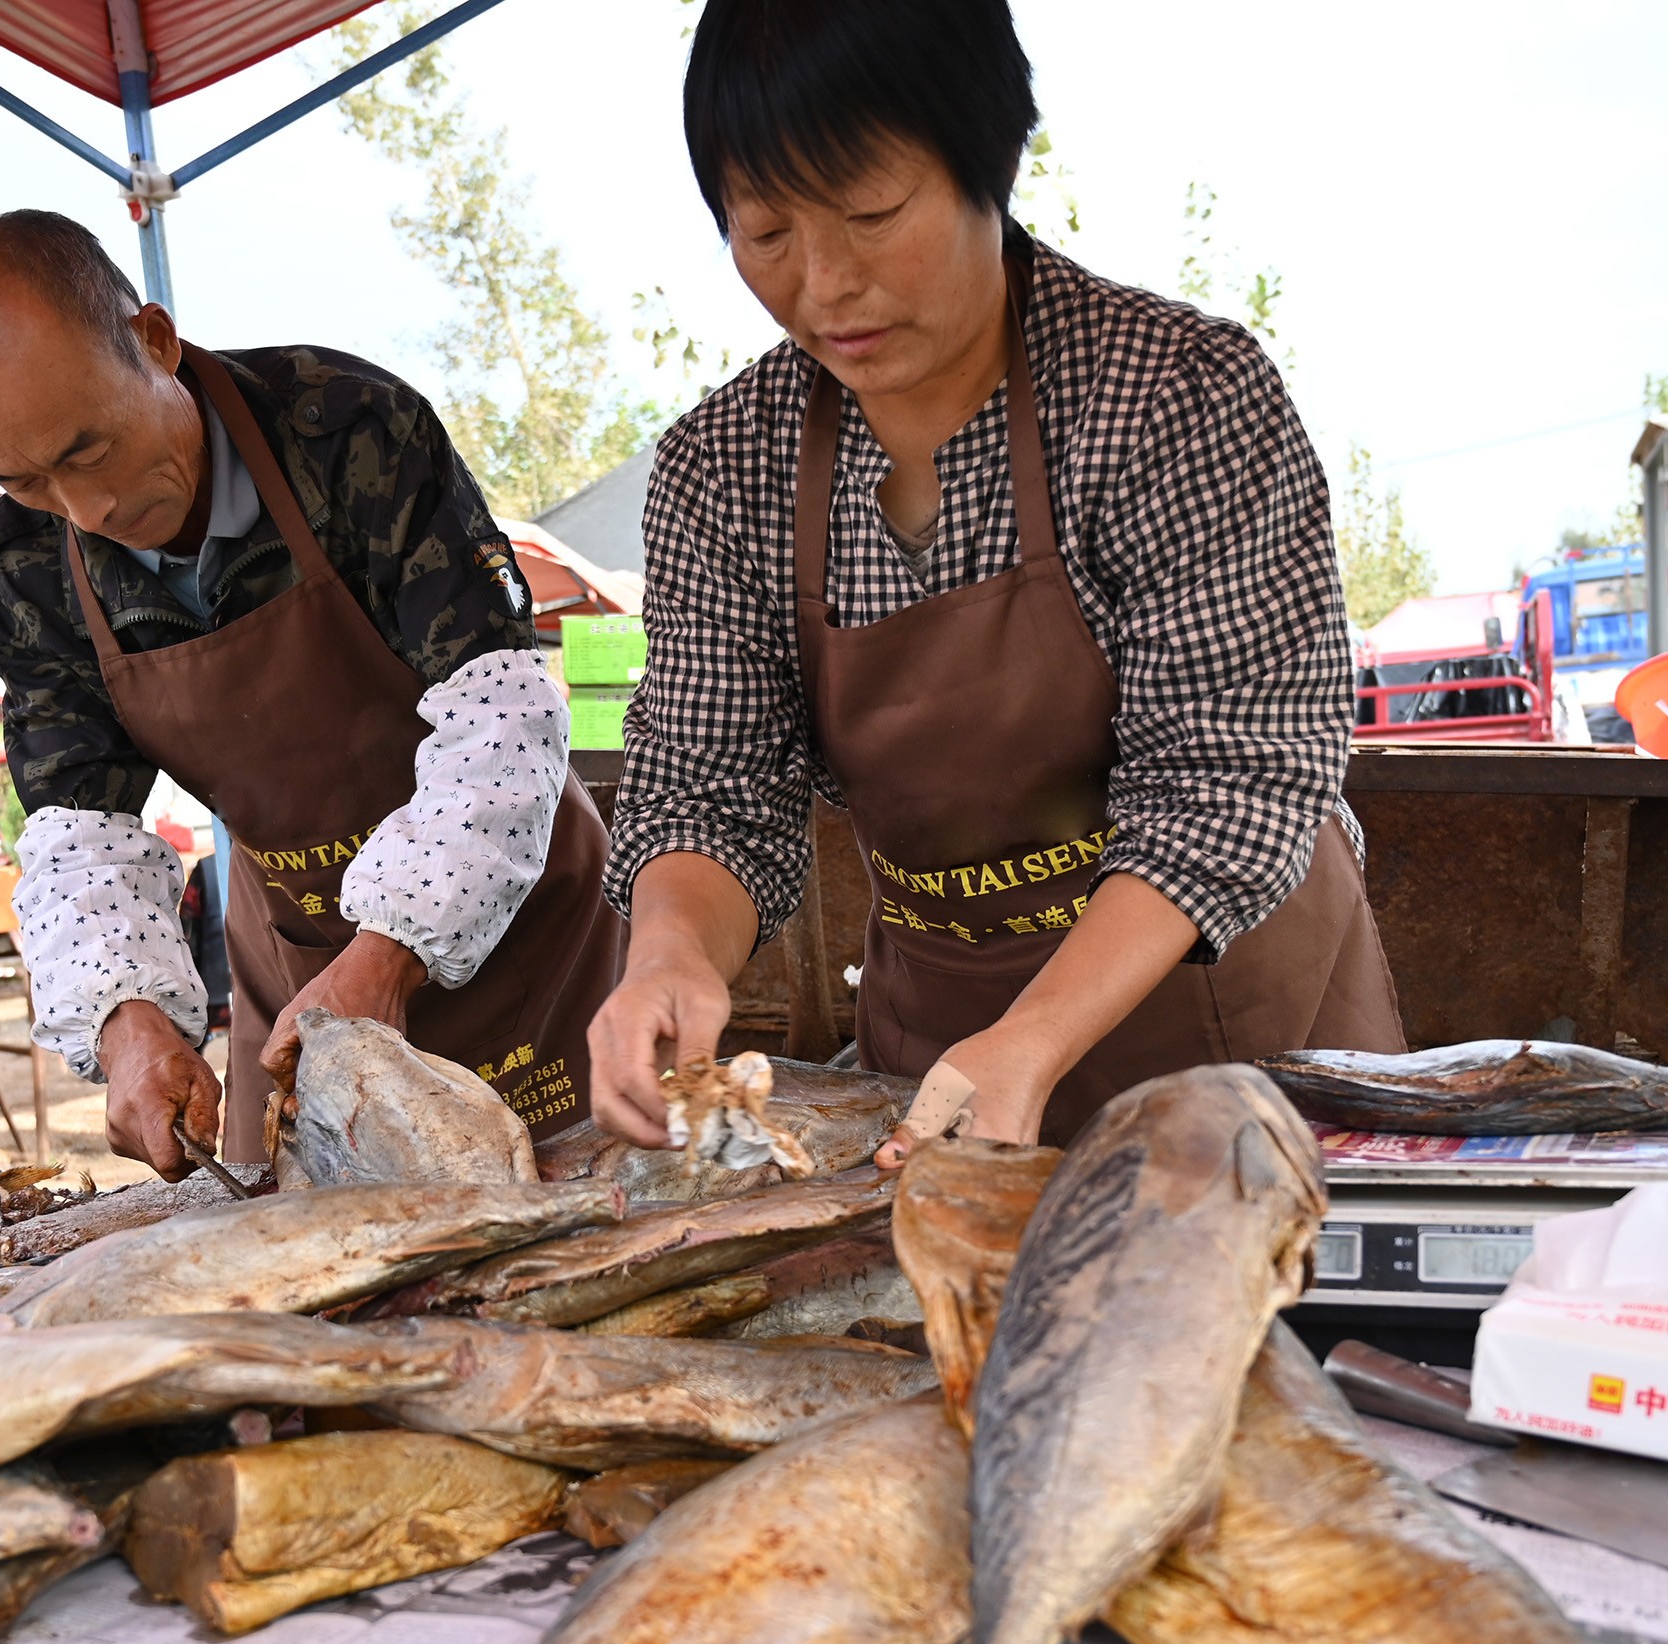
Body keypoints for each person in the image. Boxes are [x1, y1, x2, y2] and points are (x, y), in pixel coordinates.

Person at [590, 0, 1402, 1158]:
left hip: (1240, 1045)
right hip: (941, 1056)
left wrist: (1042, 1031)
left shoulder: (1175, 397)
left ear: (989, 158)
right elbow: (710, 787)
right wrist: (669, 953)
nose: (826, 284)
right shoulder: (725, 471)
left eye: (873, 215)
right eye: (766, 234)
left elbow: (1231, 777)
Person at [0, 210, 625, 1175]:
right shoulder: (29, 565)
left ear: (154, 341)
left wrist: (394, 951)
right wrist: (128, 1023)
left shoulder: (347, 428)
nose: (88, 510)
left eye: (89, 449)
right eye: (23, 479)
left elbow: (504, 711)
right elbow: (78, 829)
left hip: (522, 946)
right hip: (297, 960)